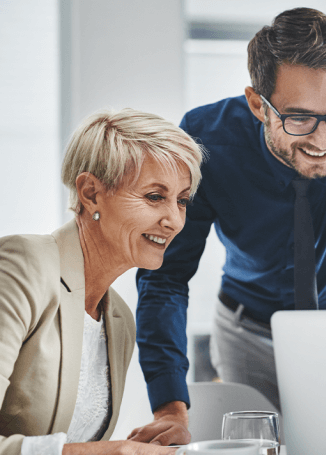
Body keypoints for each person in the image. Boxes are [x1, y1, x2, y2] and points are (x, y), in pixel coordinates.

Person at [133, 7, 326, 443]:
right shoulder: (205, 138)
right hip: (247, 328)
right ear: (258, 105)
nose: (323, 141)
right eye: (300, 118)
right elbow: (165, 276)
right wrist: (169, 405)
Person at [0, 108, 205, 455]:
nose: (174, 220)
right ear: (91, 193)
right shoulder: (22, 266)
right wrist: (118, 452)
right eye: (155, 197)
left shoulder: (119, 319)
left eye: (182, 200)